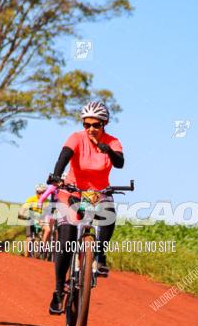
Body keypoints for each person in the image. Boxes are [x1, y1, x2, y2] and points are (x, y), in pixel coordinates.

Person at [46, 101, 124, 314]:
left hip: (99, 193)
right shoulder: (76, 138)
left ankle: (99, 256)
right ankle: (59, 289)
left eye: (95, 125)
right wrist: (55, 176)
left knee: (109, 213)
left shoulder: (112, 142)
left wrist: (108, 150)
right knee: (66, 237)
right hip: (72, 191)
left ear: (104, 124)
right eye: (86, 124)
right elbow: (64, 156)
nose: (90, 129)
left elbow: (120, 163)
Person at [20, 183, 47, 256]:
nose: (41, 195)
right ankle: (26, 255)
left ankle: (38, 253)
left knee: (38, 238)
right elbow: (23, 208)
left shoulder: (47, 201)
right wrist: (21, 214)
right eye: (39, 193)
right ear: (36, 192)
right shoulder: (31, 199)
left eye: (43, 193)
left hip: (40, 222)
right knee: (28, 238)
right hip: (30, 220)